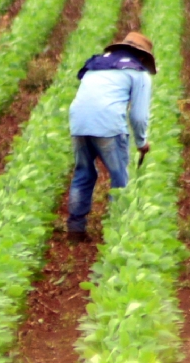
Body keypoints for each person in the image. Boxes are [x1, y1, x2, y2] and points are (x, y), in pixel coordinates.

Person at [66, 31, 155, 243]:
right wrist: (142, 143)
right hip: (109, 125)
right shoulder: (138, 73)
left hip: (78, 122)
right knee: (120, 177)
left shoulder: (96, 65)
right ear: (142, 57)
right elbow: (139, 116)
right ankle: (118, 230)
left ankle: (75, 229)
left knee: (83, 173)